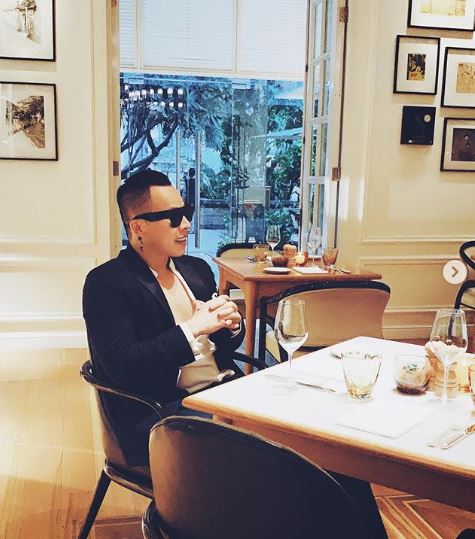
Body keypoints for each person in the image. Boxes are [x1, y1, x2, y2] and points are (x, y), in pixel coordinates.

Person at [82, 169, 244, 467]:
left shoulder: (196, 269)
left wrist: (232, 325)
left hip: (226, 391)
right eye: (173, 217)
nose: (186, 224)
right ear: (138, 227)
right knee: (270, 458)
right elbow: (122, 366)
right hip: (165, 411)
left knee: (301, 427)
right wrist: (192, 329)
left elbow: (223, 346)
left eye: (186, 212)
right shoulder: (107, 283)